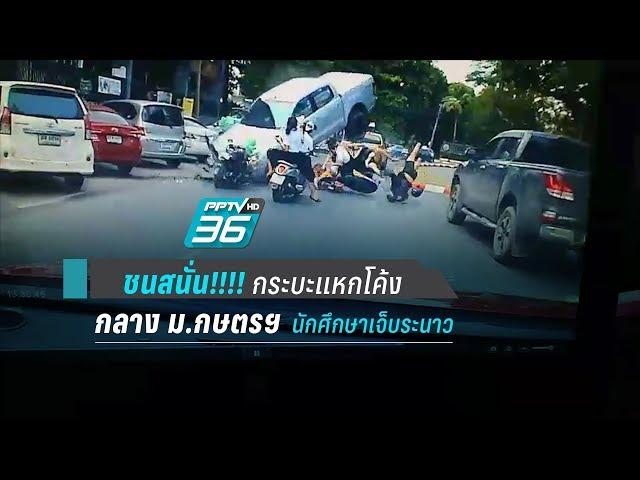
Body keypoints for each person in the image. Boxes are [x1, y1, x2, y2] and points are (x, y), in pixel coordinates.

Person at [266, 115, 321, 202]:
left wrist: (280, 142)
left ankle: (271, 170)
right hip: (298, 157)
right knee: (309, 174)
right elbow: (309, 149)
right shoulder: (304, 135)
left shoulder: (287, 132)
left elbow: (286, 149)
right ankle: (313, 194)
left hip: (286, 156)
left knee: (270, 152)